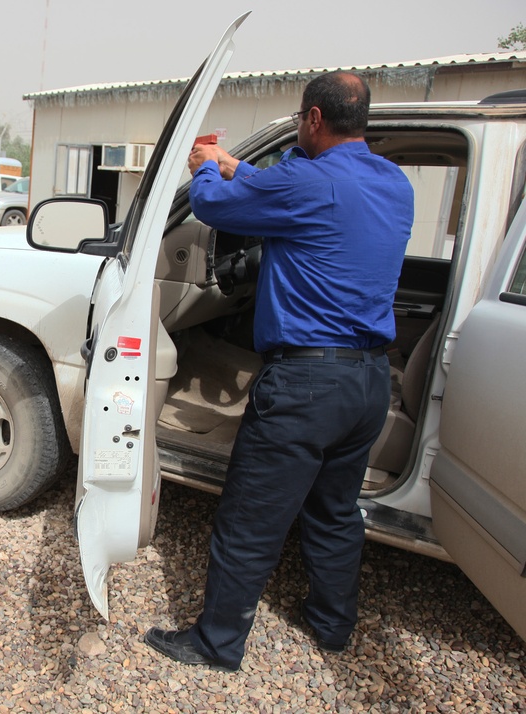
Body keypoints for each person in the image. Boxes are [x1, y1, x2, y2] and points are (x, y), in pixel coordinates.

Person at [143, 71, 415, 671]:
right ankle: (331, 624)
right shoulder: (394, 183)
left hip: (305, 388)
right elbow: (285, 188)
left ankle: (216, 644)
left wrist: (206, 166)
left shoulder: (307, 181)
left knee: (251, 517)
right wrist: (237, 162)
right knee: (335, 511)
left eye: (298, 119)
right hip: (368, 383)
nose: (297, 126)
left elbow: (212, 205)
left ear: (314, 119)